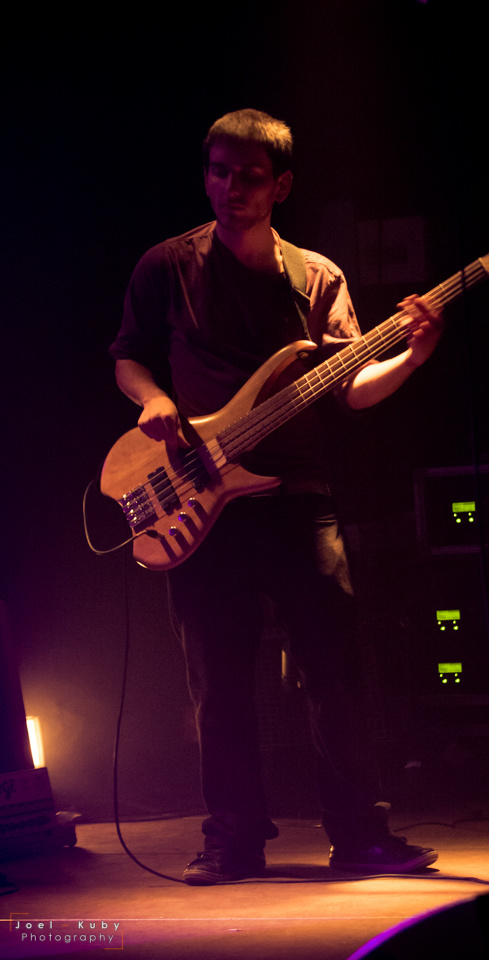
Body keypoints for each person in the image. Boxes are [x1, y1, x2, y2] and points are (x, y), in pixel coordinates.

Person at [109, 109, 443, 885]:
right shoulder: (166, 265)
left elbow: (349, 388)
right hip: (200, 499)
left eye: (249, 176)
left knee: (337, 671)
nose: (230, 188)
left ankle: (359, 833)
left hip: (298, 495)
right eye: (218, 171)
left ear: (281, 185)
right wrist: (153, 399)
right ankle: (231, 839)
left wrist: (413, 357)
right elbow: (127, 357)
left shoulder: (317, 277)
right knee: (217, 686)